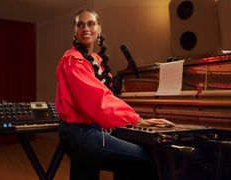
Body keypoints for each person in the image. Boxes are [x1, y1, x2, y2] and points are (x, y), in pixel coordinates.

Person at [55, 8, 175, 180]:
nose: (85, 28)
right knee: (147, 159)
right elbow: (97, 100)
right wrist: (136, 119)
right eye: (80, 25)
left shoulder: (96, 60)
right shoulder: (72, 60)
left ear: (99, 29)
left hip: (91, 130)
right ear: (75, 31)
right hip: (80, 133)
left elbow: (108, 96)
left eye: (91, 24)